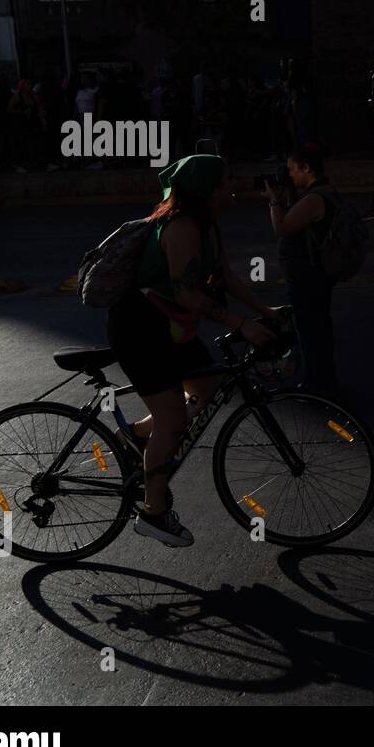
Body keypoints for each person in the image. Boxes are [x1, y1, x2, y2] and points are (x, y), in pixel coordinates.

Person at [106, 153, 280, 547]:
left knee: (209, 389)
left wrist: (264, 311)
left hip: (170, 328)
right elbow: (186, 291)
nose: (233, 183)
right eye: (226, 179)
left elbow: (224, 276)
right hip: (141, 328)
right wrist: (240, 324)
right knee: (172, 421)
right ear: (208, 189)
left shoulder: (206, 225)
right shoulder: (182, 227)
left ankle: (136, 436)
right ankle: (152, 513)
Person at [263, 140, 342, 396]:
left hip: (308, 276)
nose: (290, 174)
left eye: (293, 169)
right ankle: (323, 379)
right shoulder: (320, 192)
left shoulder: (314, 199)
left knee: (310, 331)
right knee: (318, 328)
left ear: (307, 168)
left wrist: (274, 201)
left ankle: (317, 384)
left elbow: (282, 229)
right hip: (316, 274)